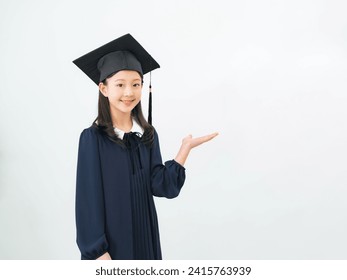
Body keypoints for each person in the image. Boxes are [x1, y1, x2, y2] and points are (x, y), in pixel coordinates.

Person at [73, 34, 218, 260]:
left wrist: (184, 151)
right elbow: (87, 200)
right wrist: (98, 252)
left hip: (145, 241)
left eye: (136, 84)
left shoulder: (147, 136)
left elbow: (160, 186)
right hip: (111, 249)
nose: (129, 92)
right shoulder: (93, 139)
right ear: (104, 89)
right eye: (120, 85)